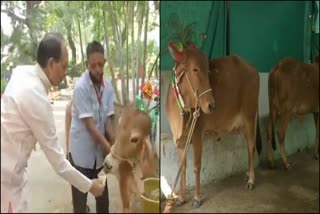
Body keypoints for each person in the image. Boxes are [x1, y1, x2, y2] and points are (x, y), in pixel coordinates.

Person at [0, 32, 105, 213]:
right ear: (50, 64)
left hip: (14, 171)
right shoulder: (37, 98)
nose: (65, 74)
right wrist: (91, 186)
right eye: (63, 67)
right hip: (6, 178)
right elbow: (59, 163)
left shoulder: (22, 72)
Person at [68, 41, 115, 213]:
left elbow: (108, 121)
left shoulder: (108, 86)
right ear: (87, 64)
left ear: (105, 62)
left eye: (100, 64)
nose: (97, 69)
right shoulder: (81, 88)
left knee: (103, 202)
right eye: (93, 65)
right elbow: (90, 126)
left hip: (99, 157)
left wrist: (115, 144)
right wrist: (109, 147)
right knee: (80, 205)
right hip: (81, 157)